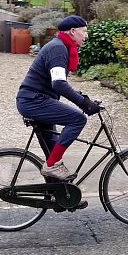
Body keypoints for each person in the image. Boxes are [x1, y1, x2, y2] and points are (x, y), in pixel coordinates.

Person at [16, 15, 101, 180]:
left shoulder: (61, 46)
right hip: (34, 101)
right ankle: (52, 165)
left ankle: (58, 196)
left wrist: (83, 98)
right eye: (84, 31)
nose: (86, 35)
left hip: (38, 100)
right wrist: (83, 103)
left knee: (54, 151)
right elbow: (59, 84)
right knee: (78, 119)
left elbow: (59, 82)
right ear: (72, 31)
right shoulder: (58, 48)